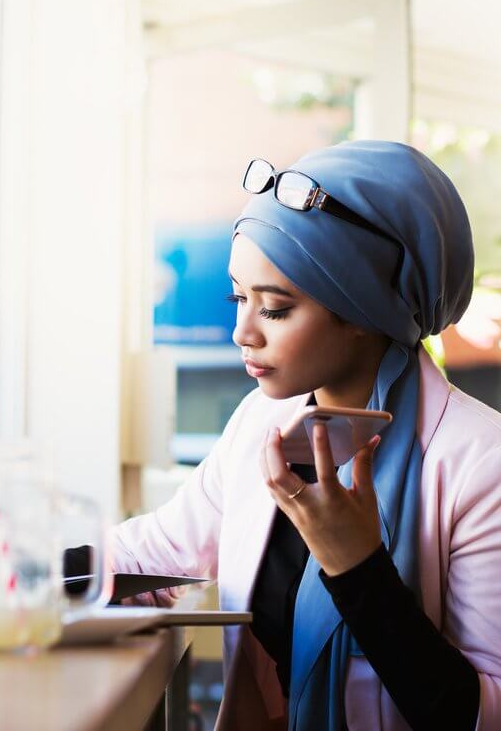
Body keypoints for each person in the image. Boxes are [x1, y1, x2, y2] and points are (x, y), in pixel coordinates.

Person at [108, 141, 501, 730]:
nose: (242, 332)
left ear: (366, 312)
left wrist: (357, 566)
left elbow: (481, 713)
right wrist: (18, 565)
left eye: (274, 309)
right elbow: (152, 553)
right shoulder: (259, 424)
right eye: (238, 297)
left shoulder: (481, 462)